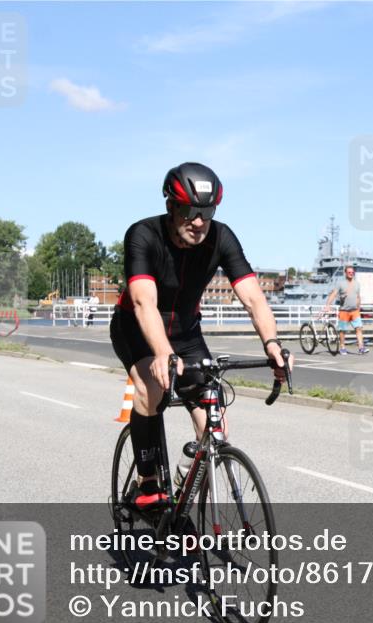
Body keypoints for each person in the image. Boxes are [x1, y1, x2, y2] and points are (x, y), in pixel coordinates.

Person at [110, 162, 290, 510]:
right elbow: (143, 302)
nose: (198, 222)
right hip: (137, 327)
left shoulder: (221, 237)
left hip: (187, 332)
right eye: (190, 211)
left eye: (206, 213)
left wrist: (272, 344)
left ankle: (180, 496)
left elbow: (254, 297)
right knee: (151, 385)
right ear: (170, 207)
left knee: (215, 423)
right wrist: (162, 353)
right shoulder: (143, 234)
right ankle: (147, 483)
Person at [323, 264, 369, 355]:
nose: (351, 274)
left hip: (355, 311)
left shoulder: (357, 284)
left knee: (359, 328)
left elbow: (358, 296)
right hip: (344, 311)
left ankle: (361, 347)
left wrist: (359, 306)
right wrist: (328, 305)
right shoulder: (340, 283)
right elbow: (334, 294)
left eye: (352, 272)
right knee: (342, 330)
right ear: (345, 273)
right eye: (349, 272)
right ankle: (342, 347)